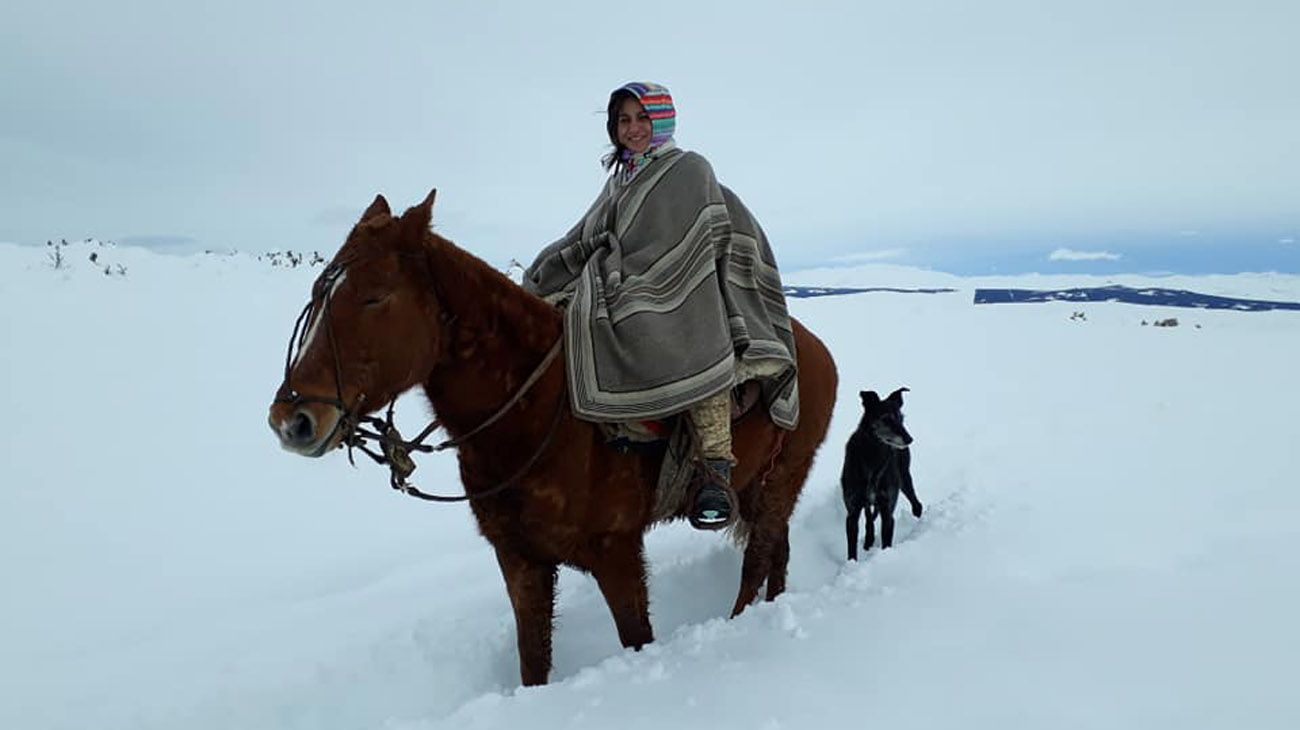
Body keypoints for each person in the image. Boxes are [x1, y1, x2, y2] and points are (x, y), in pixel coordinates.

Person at [522, 81, 799, 531]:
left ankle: (714, 471)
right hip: (627, 276)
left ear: (662, 120)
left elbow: (680, 242)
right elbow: (591, 233)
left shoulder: (687, 169)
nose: (631, 129)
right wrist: (553, 269)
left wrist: (631, 279)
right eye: (623, 120)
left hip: (687, 286)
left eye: (641, 118)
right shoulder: (621, 177)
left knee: (694, 346)